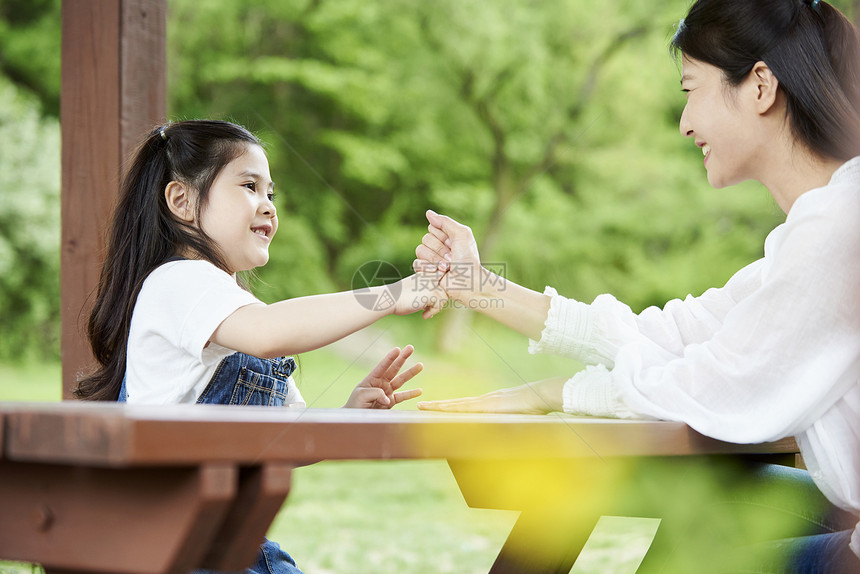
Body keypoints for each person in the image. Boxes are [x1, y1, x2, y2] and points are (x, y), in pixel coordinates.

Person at [414, 0, 860, 571]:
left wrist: (554, 394)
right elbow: (676, 334)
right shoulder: (819, 230)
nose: (685, 123)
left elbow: (715, 388)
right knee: (694, 509)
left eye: (691, 91)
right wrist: (480, 290)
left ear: (760, 86)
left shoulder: (837, 228)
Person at [75, 119, 446, 573]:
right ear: (182, 201)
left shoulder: (236, 313)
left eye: (271, 194)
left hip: (227, 545)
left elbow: (284, 440)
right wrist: (392, 295)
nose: (268, 206)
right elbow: (269, 333)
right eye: (249, 186)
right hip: (172, 547)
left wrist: (346, 416)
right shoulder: (176, 282)